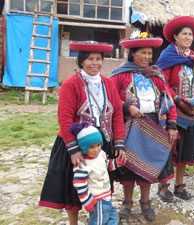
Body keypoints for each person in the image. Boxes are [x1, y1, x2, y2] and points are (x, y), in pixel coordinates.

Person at [39, 41, 126, 225]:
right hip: (77, 144)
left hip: (101, 144)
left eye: (99, 59)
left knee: (100, 184)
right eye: (90, 59)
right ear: (81, 62)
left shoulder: (108, 84)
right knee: (74, 188)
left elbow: (117, 114)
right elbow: (65, 118)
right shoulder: (71, 84)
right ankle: (73, 222)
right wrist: (73, 149)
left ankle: (97, 218)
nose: (95, 63)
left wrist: (119, 143)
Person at [110, 31, 177, 221]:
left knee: (148, 165)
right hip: (129, 126)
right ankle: (127, 203)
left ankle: (145, 203)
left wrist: (171, 125)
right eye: (143, 53)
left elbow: (168, 101)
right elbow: (111, 98)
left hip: (153, 125)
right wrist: (127, 106)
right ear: (133, 54)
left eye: (149, 53)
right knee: (129, 166)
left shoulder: (155, 76)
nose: (147, 57)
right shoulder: (120, 76)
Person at [156, 15, 194, 201]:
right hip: (172, 111)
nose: (188, 37)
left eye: (190, 34)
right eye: (184, 34)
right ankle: (163, 187)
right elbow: (163, 83)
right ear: (175, 37)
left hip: (192, 113)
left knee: (185, 150)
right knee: (169, 149)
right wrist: (180, 102)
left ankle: (179, 186)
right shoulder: (168, 56)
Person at [70, 122, 126, 225]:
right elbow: (79, 184)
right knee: (99, 221)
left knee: (112, 217)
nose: (96, 149)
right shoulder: (83, 164)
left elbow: (107, 165)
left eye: (98, 145)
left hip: (106, 195)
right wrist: (87, 202)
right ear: (84, 148)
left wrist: (117, 163)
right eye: (91, 147)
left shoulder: (101, 154)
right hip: (97, 199)